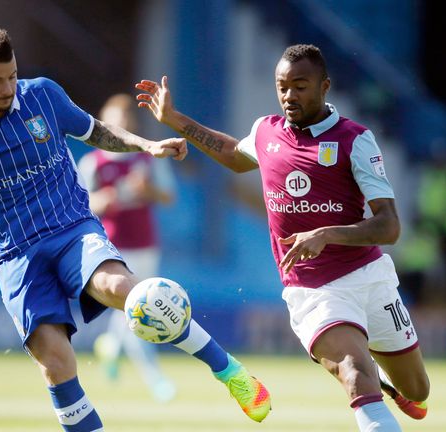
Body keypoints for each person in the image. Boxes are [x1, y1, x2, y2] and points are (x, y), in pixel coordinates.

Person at [0, 28, 271, 431]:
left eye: (12, 76)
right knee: (56, 363)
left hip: (73, 229)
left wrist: (146, 146)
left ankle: (229, 372)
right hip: (16, 255)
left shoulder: (42, 95)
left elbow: (97, 131)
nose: (8, 88)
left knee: (132, 293)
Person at [136, 44, 430, 432]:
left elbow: (389, 226)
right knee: (354, 371)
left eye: (300, 86)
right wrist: (174, 119)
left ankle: (386, 377)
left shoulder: (354, 141)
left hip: (369, 277)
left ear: (325, 86)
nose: (289, 95)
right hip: (312, 289)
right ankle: (362, 366)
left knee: (418, 388)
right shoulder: (266, 131)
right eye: (282, 86)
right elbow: (232, 153)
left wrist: (326, 234)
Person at [79, 93, 177, 402]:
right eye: (114, 120)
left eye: (125, 120)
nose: (120, 124)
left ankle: (110, 346)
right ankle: (156, 380)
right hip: (109, 248)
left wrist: (147, 190)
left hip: (145, 244)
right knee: (137, 311)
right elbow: (81, 205)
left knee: (131, 312)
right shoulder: (92, 162)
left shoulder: (145, 158)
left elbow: (168, 196)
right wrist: (102, 201)